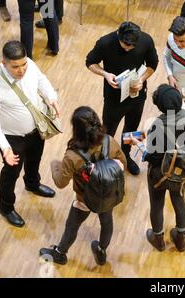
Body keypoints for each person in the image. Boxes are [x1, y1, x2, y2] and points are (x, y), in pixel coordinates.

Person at [0, 41, 60, 227]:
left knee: (35, 159)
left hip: (35, 128)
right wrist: (5, 147)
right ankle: (6, 207)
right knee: (11, 173)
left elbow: (41, 79)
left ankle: (32, 184)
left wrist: (52, 98)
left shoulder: (29, 65)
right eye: (15, 66)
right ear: (3, 63)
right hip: (11, 138)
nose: (21, 70)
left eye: (23, 64)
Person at [39, 106, 126, 265]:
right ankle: (101, 250)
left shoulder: (72, 156)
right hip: (108, 195)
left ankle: (60, 254)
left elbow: (60, 183)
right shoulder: (109, 141)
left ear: (76, 130)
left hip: (84, 199)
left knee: (72, 226)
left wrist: (55, 165)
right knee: (107, 222)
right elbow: (123, 164)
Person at [130, 84, 185, 252]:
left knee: (157, 204)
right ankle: (180, 239)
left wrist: (139, 145)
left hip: (159, 173)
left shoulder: (157, 126)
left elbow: (152, 156)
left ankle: (158, 239)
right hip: (181, 170)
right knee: (178, 200)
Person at [86, 21, 158, 176]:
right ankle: (105, 159)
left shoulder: (146, 41)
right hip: (113, 98)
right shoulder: (105, 42)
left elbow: (153, 64)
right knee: (108, 131)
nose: (128, 48)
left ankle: (126, 154)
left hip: (137, 95)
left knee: (132, 128)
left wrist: (142, 79)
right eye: (125, 45)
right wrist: (105, 74)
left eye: (132, 46)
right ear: (118, 35)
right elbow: (90, 62)